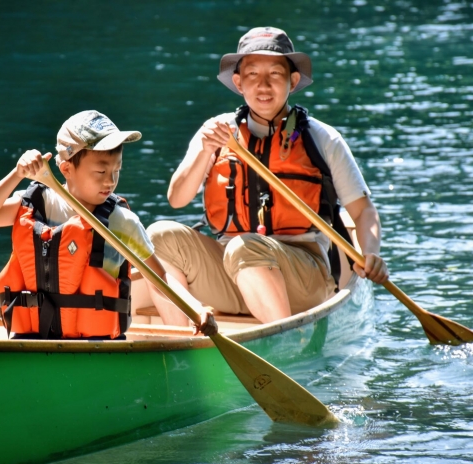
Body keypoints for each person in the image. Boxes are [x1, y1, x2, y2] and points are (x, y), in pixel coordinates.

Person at [146, 26, 389, 326]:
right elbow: (177, 199)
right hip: (232, 269)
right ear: (238, 82)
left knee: (244, 247)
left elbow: (363, 212)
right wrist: (203, 151)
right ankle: (184, 344)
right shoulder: (218, 132)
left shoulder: (322, 138)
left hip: (303, 275)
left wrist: (372, 252)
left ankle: (282, 339)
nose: (263, 85)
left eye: (275, 74)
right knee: (157, 237)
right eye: (252, 75)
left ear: (293, 80)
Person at [0, 110, 216, 339]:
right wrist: (17, 174)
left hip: (98, 347)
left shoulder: (121, 222)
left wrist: (195, 308)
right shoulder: (38, 204)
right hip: (31, 341)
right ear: (66, 168)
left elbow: (159, 278)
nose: (110, 181)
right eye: (101, 172)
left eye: (117, 170)